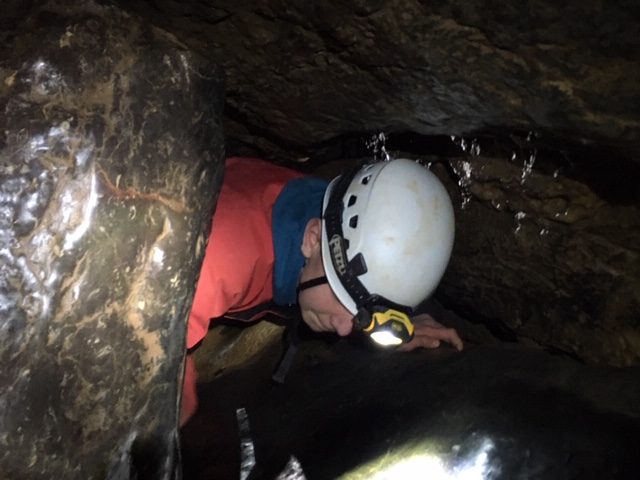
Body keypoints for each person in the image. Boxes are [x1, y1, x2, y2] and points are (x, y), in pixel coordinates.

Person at [181, 156, 463, 426]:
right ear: (312, 238)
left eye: (358, 312)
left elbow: (351, 283)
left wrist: (385, 325)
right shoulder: (212, 259)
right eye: (343, 298)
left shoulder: (331, 223)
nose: (343, 330)